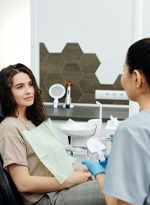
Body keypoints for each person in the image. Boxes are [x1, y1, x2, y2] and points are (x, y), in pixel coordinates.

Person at [0, 63, 106, 205]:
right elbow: (23, 183)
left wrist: (80, 170)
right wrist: (69, 181)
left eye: (30, 84)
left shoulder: (32, 122)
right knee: (115, 190)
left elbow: (51, 163)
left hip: (59, 188)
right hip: (46, 198)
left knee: (114, 181)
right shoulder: (9, 127)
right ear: (7, 93)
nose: (28, 91)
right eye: (20, 87)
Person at [82, 38, 150, 205]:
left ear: (136, 78)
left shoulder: (132, 130)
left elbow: (120, 204)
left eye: (123, 70)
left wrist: (99, 173)